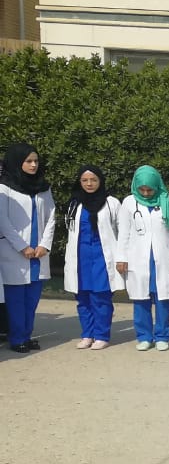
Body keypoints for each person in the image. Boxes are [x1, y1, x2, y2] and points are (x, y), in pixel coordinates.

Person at [115, 166, 169, 351]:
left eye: (150, 190)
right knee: (141, 299)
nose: (146, 193)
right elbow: (123, 232)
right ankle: (144, 336)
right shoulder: (129, 203)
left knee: (163, 299)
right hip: (138, 258)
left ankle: (162, 336)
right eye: (142, 190)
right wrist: (121, 258)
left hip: (164, 257)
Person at [0, 143, 56, 352]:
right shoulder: (4, 188)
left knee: (32, 299)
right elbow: (3, 220)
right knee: (15, 300)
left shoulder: (43, 187)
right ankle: (17, 338)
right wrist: (22, 247)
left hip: (38, 253)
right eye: (28, 161)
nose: (33, 165)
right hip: (15, 253)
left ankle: (27, 335)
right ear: (17, 162)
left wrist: (44, 245)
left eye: (36, 161)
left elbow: (51, 217)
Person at [62, 165, 123, 349]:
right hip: (80, 257)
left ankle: (102, 335)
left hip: (102, 256)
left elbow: (121, 230)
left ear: (100, 181)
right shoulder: (74, 203)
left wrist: (122, 256)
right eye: (85, 180)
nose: (89, 184)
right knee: (82, 297)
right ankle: (87, 334)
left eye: (93, 180)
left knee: (100, 296)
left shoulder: (111, 203)